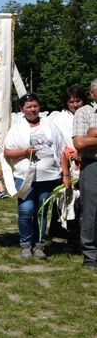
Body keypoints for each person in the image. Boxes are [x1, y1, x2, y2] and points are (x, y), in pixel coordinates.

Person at [4, 93, 70, 259]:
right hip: (25, 177)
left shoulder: (50, 125)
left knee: (41, 212)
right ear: (22, 109)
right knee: (26, 210)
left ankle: (39, 245)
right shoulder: (16, 129)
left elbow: (61, 150)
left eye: (35, 106)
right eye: (28, 107)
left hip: (48, 177)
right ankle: (25, 244)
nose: (33, 109)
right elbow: (7, 152)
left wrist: (66, 174)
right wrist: (25, 152)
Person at [48, 86, 87, 249]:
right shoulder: (57, 119)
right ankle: (67, 234)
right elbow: (55, 140)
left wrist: (82, 152)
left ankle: (83, 234)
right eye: (72, 102)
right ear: (66, 102)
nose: (75, 105)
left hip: (86, 159)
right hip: (66, 163)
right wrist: (68, 152)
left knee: (84, 200)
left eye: (78, 101)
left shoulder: (90, 114)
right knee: (68, 199)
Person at [71, 79, 97, 267]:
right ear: (92, 94)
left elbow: (88, 139)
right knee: (91, 210)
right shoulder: (84, 112)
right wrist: (88, 136)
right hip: (92, 164)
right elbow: (79, 143)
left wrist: (94, 134)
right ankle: (90, 253)